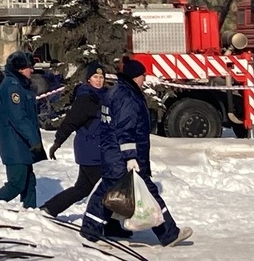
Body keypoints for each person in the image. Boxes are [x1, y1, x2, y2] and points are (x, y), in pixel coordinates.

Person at [80, 59, 192, 247]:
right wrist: (130, 157)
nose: (144, 79)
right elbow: (125, 130)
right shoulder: (127, 97)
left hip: (112, 155)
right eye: (143, 76)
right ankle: (169, 234)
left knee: (106, 193)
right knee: (145, 191)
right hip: (123, 158)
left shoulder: (116, 91)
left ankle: (93, 231)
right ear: (135, 77)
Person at [41, 63, 132, 237]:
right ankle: (102, 226)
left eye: (101, 77)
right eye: (95, 77)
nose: (99, 80)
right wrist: (57, 142)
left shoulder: (103, 96)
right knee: (107, 189)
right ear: (88, 79)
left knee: (83, 188)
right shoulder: (86, 98)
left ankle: (50, 208)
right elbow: (70, 122)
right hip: (91, 152)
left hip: (101, 151)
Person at [0, 51, 43, 208]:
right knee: (17, 184)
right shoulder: (12, 87)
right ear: (20, 69)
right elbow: (18, 118)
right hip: (15, 145)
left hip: (23, 145)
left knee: (29, 183)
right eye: (29, 67)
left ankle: (31, 214)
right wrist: (34, 140)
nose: (32, 70)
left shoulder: (22, 85)